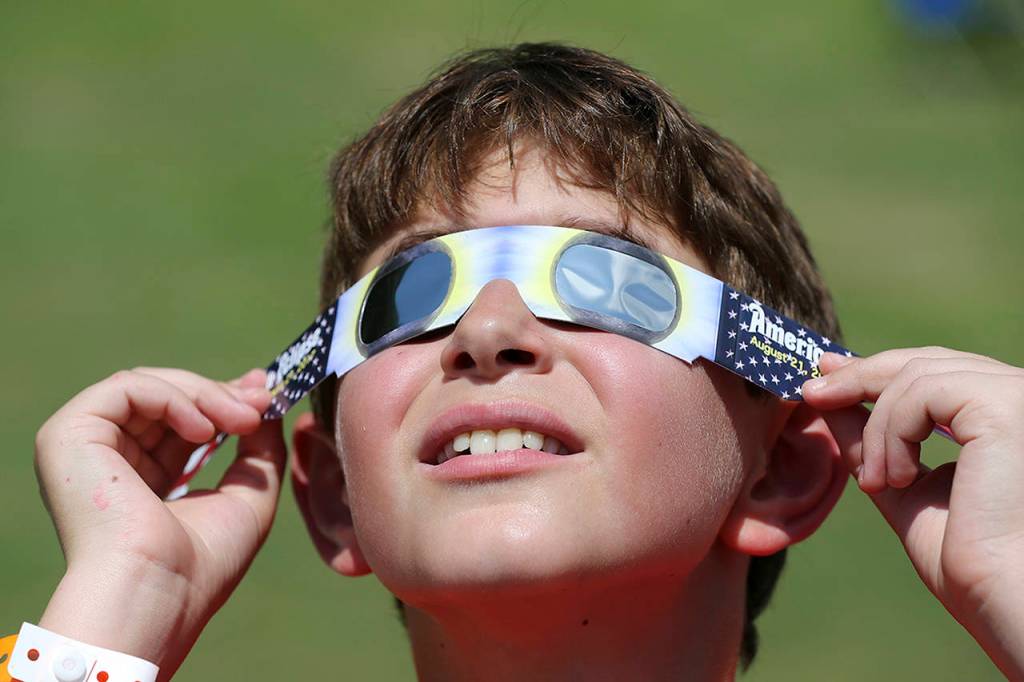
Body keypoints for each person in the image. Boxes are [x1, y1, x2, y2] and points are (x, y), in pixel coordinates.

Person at [20, 43, 1024, 681]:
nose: (488, 329)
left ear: (783, 465)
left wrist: (1011, 571)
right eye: (410, 297)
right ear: (332, 492)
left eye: (605, 284)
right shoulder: (123, 610)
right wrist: (126, 597)